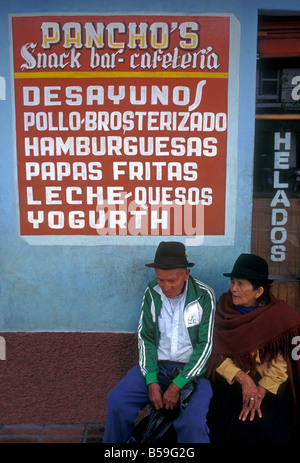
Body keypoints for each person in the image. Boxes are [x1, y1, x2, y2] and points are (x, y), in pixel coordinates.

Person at [103, 241, 216, 443]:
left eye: (172, 280)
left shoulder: (204, 296)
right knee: (118, 400)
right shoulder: (152, 292)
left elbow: (205, 346)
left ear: (186, 274)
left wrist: (177, 385)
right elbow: (145, 336)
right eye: (161, 280)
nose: (166, 287)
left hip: (193, 374)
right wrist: (151, 380)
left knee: (192, 425)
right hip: (157, 367)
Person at [207, 253, 300, 443]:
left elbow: (283, 364)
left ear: (259, 291)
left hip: (268, 384)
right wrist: (242, 379)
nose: (233, 289)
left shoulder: (280, 316)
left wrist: (260, 391)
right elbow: (213, 353)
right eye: (232, 282)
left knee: (258, 425)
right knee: (220, 422)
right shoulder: (224, 309)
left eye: (241, 284)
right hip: (233, 380)